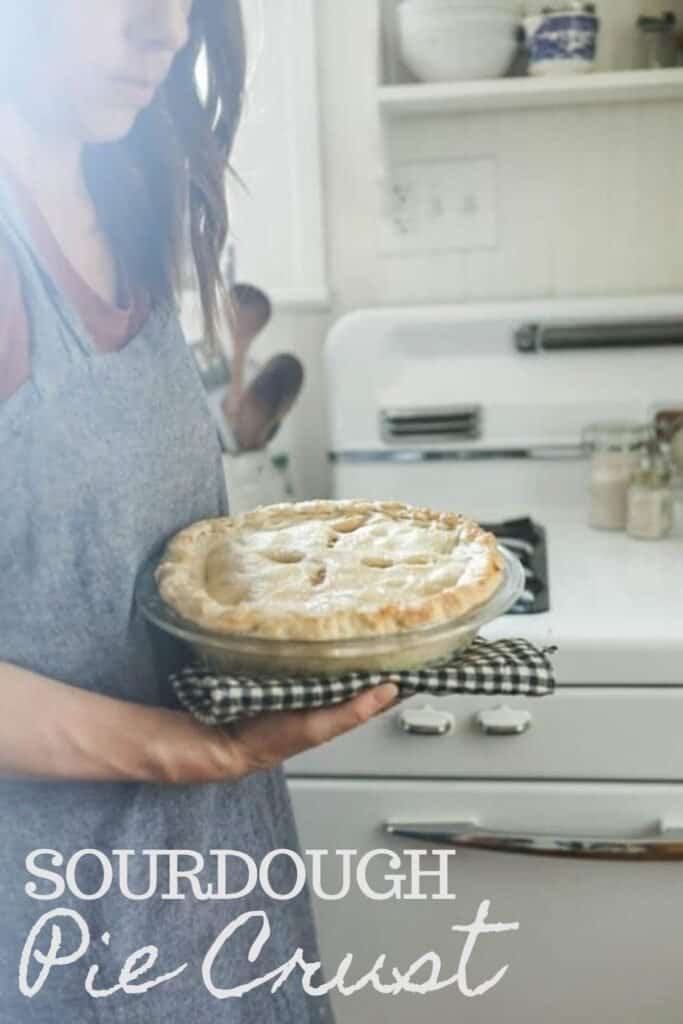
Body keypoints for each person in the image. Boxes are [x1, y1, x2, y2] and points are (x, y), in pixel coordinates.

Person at [0, 2, 399, 1021]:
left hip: (223, 885)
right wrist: (196, 746)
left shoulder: (119, 196)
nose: (168, 30)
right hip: (68, 929)